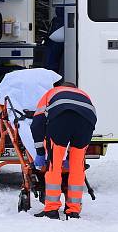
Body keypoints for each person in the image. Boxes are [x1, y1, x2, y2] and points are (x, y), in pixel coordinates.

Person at [31, 82, 97, 219]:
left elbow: (37, 124)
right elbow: (91, 116)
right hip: (87, 122)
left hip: (61, 118)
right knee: (78, 167)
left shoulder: (51, 93)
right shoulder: (83, 94)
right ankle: (73, 210)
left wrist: (40, 152)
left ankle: (51, 209)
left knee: (54, 165)